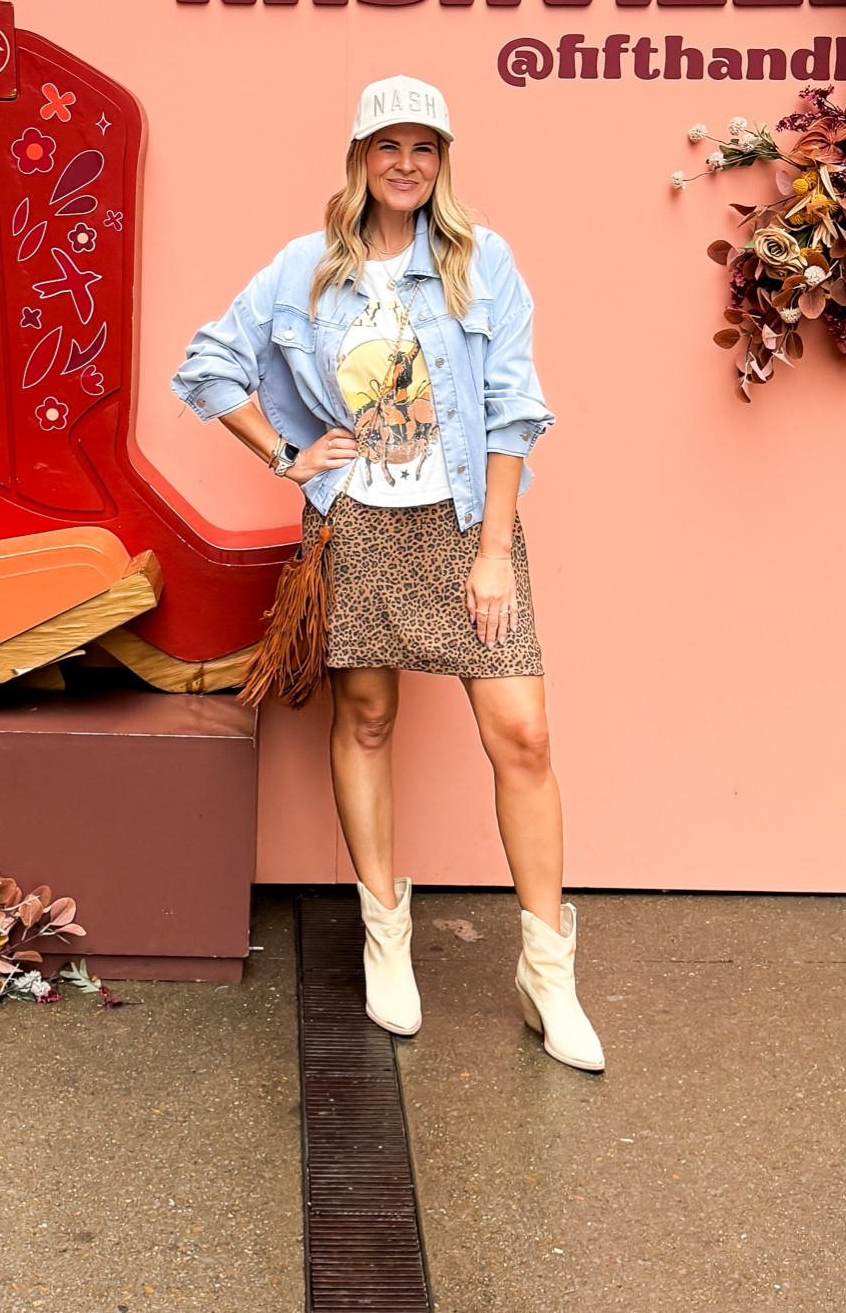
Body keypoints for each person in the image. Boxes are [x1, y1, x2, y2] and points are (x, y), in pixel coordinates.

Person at [172, 75, 603, 1073]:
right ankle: (385, 936)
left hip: (461, 523)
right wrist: (287, 455)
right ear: (359, 156)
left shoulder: (477, 261)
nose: (405, 161)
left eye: (424, 146)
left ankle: (547, 971)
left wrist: (493, 550)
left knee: (524, 735)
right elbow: (207, 364)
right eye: (386, 144)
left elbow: (512, 411)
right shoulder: (305, 271)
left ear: (441, 159)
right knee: (365, 720)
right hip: (357, 528)